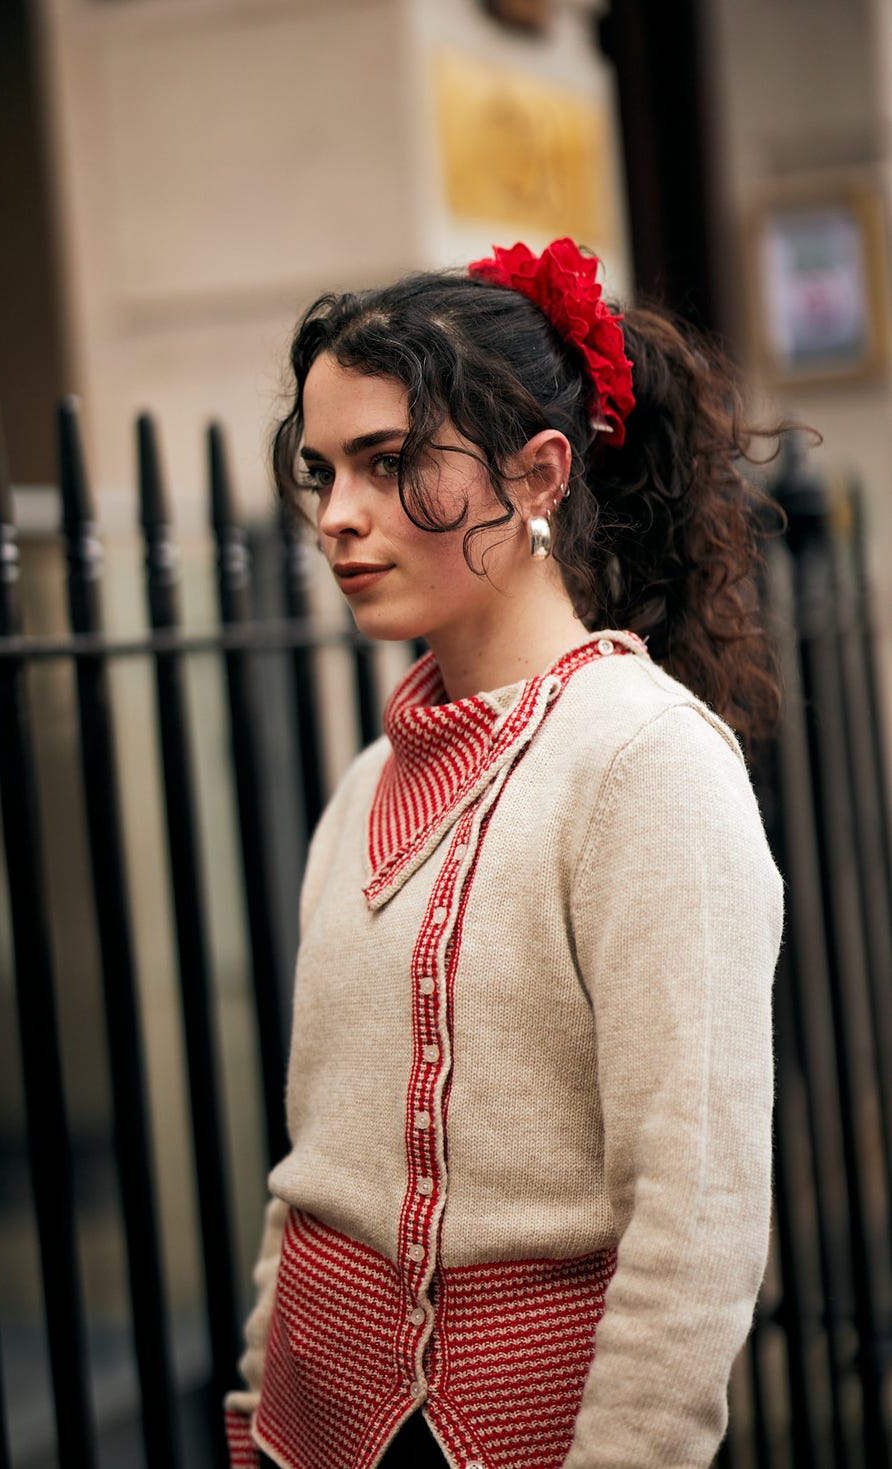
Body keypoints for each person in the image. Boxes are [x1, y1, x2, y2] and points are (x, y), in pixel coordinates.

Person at [224, 238, 785, 1469]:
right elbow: (311, 1161)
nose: (337, 516)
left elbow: (694, 1218)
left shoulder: (644, 766)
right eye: (320, 470)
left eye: (387, 462)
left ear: (538, 475)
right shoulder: (366, 782)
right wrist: (252, 1413)